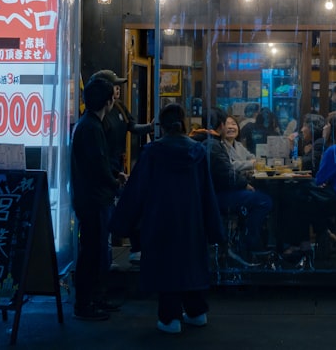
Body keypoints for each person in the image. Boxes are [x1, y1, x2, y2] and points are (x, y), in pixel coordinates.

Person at [110, 103, 224, 334]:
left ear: (161, 125)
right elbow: (207, 193)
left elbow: (137, 190)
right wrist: (214, 228)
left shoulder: (153, 152)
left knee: (167, 268)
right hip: (192, 220)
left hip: (160, 219)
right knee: (191, 264)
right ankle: (196, 311)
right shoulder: (198, 151)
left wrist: (122, 222)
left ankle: (170, 318)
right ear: (183, 123)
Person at [71, 76, 124, 321]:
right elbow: (97, 167)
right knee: (92, 253)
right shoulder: (91, 127)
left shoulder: (88, 124)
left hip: (90, 198)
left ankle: (95, 298)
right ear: (108, 101)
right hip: (93, 200)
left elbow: (99, 163)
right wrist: (115, 181)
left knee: (96, 251)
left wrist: (113, 175)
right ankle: (85, 304)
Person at [89, 69, 153, 266]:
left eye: (118, 86)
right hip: (107, 172)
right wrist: (113, 175)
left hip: (117, 168)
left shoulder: (119, 108)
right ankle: (106, 260)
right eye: (114, 86)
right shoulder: (94, 119)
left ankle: (134, 249)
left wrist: (151, 127)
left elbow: (132, 127)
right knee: (108, 215)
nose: (117, 90)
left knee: (129, 207)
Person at [205, 107, 273, 261]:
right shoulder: (217, 145)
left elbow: (252, 159)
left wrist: (250, 165)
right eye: (227, 124)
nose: (231, 127)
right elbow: (230, 168)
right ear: (220, 127)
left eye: (234, 124)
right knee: (264, 201)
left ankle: (252, 241)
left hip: (230, 189)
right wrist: (246, 176)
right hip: (222, 193)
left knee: (265, 195)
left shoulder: (238, 145)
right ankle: (249, 243)